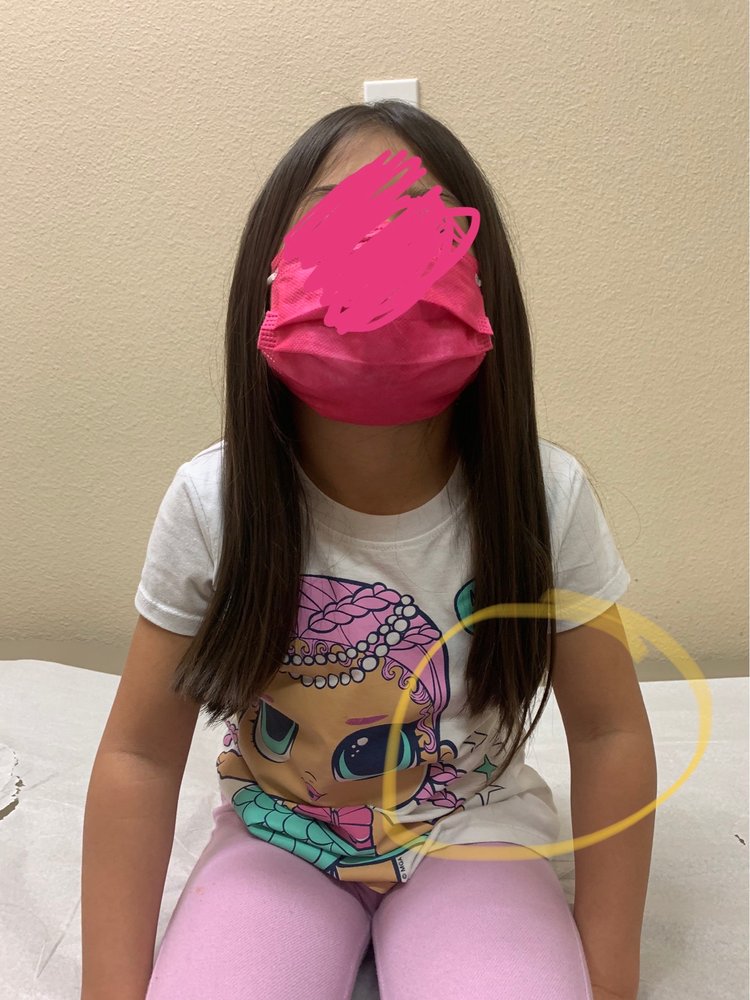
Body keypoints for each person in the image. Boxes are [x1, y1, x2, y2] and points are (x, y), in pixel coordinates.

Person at [81, 100, 654, 1000]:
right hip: (279, 836)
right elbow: (140, 756)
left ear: (485, 283)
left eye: (424, 230)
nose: (381, 260)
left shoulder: (545, 497)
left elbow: (611, 731)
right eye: (335, 223)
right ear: (269, 275)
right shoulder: (213, 500)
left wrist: (610, 980)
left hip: (473, 834)